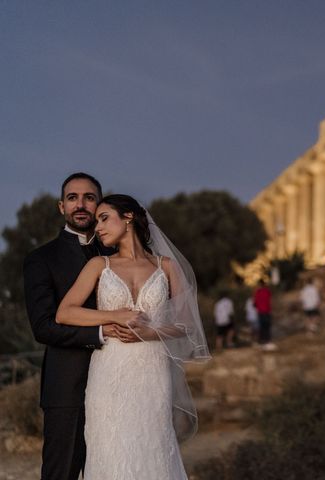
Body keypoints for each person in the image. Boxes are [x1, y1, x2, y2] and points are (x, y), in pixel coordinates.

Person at [55, 194, 210, 479]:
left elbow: (187, 324)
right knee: (110, 449)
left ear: (128, 218)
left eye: (104, 218)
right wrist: (113, 315)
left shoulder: (166, 267)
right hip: (110, 372)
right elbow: (65, 313)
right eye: (96, 220)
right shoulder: (99, 265)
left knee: (153, 446)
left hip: (153, 372)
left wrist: (151, 333)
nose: (97, 227)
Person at [23, 173, 134, 480]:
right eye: (73, 198)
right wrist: (101, 332)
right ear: (62, 207)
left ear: (100, 203)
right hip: (68, 388)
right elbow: (43, 327)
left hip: (122, 383)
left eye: (89, 197)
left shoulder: (119, 255)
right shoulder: (41, 259)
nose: (81, 204)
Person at [254, 279, 276, 351]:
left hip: (261, 312)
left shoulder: (258, 292)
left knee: (262, 327)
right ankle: (268, 341)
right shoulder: (267, 291)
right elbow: (270, 301)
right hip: (267, 312)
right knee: (267, 327)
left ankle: (263, 342)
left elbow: (255, 304)